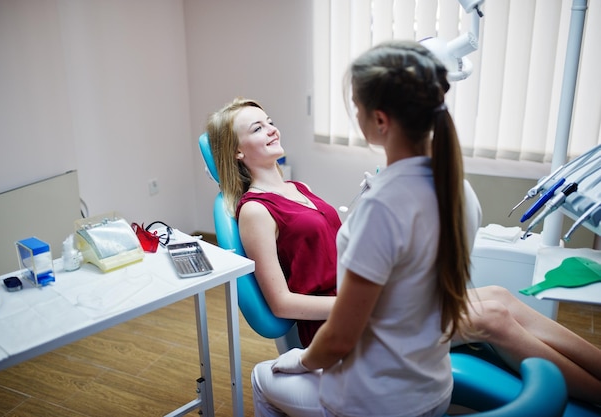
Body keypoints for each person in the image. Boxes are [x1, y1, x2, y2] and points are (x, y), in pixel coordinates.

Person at [245, 40, 601, 417]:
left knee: (262, 377)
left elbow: (341, 339)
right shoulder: (457, 186)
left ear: (380, 120)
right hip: (432, 385)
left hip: (374, 397)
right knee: (494, 304)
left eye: (357, 107)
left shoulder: (380, 208)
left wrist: (302, 360)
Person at [206, 97, 339, 347]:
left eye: (270, 122)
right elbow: (281, 304)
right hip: (332, 326)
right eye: (258, 128)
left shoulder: (300, 188)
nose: (272, 130)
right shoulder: (256, 210)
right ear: (237, 151)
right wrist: (356, 305)